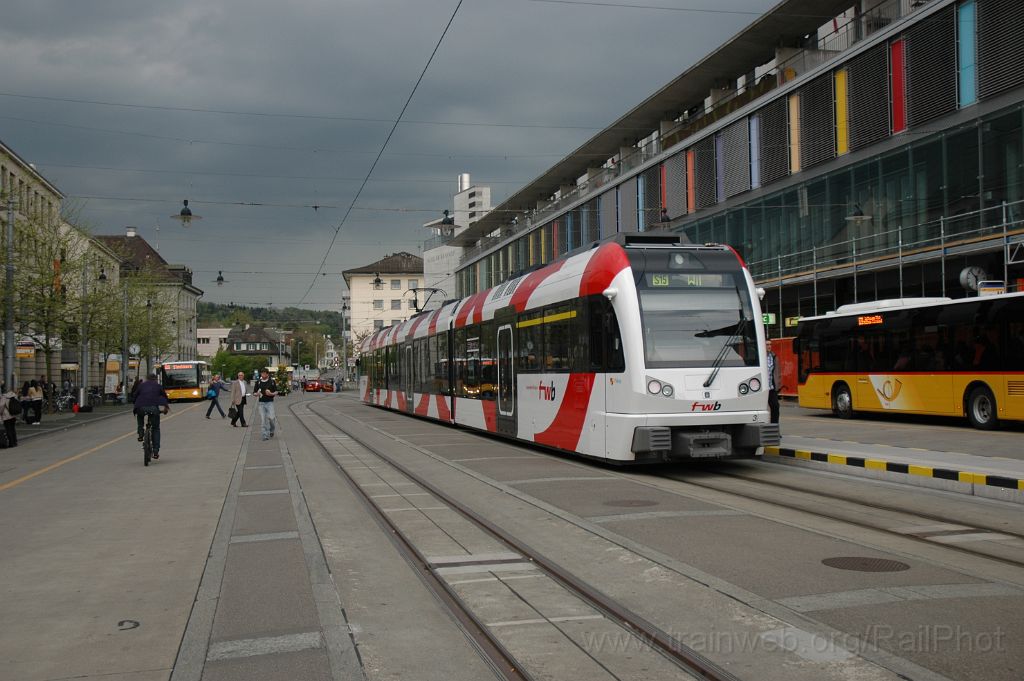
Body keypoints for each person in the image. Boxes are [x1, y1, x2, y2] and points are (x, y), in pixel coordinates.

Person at [133, 373, 170, 459]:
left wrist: (136, 405)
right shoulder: (158, 386)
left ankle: (141, 434)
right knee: (156, 428)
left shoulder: (141, 386)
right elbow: (164, 397)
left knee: (140, 416)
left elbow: (135, 396)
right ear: (155, 379)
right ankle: (156, 451)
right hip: (154, 409)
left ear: (146, 378)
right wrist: (165, 408)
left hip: (140, 408)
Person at [253, 368, 278, 440]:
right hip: (261, 403)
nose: (263, 374)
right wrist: (257, 394)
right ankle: (265, 435)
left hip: (270, 402)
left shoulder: (272, 382)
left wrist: (271, 393)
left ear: (267, 374)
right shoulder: (258, 382)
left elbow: (276, 392)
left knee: (271, 418)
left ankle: (272, 430)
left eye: (264, 373)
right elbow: (254, 393)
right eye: (262, 373)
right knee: (263, 419)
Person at [766, 340, 780, 425]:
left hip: (771, 387)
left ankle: (774, 428)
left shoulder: (774, 356)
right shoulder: (758, 356)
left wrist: (777, 385)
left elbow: (777, 372)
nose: (769, 346)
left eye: (770, 344)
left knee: (775, 407)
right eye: (767, 344)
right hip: (762, 388)